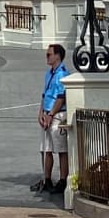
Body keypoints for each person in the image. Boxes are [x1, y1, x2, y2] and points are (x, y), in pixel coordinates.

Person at [31, 42, 70, 196]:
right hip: (47, 113)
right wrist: (41, 112)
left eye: (49, 54)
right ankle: (47, 179)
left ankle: (63, 180)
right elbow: (45, 94)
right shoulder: (49, 73)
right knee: (45, 148)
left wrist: (51, 114)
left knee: (61, 149)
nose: (47, 57)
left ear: (57, 56)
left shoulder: (63, 74)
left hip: (58, 114)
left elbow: (61, 97)